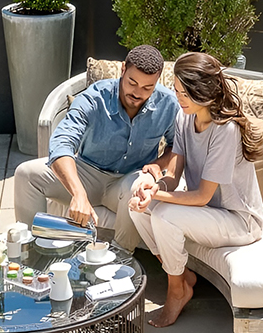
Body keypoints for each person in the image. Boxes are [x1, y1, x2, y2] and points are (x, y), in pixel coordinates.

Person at [128, 51, 263, 328]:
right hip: (208, 214)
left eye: (185, 93)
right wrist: (153, 187)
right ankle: (181, 277)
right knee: (138, 203)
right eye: (177, 91)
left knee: (164, 215)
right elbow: (173, 175)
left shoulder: (225, 130)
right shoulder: (184, 117)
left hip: (239, 221)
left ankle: (176, 290)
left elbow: (202, 196)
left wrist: (156, 195)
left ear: (204, 92)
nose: (179, 99)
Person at [13, 45, 179, 251]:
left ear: (157, 81)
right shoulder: (94, 97)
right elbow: (61, 143)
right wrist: (78, 193)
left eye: (147, 87)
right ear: (123, 69)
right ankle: (30, 253)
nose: (138, 93)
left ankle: (122, 257)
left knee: (138, 188)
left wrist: (159, 163)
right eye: (132, 83)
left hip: (130, 178)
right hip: (87, 173)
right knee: (26, 174)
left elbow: (177, 145)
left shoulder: (168, 104)